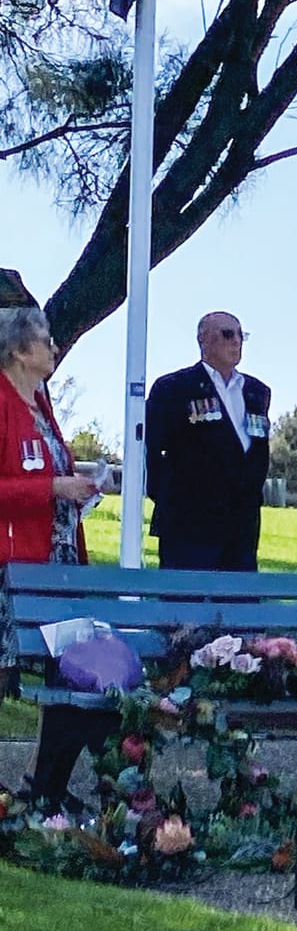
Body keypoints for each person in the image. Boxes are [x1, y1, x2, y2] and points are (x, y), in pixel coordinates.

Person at [0, 306, 104, 810]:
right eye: (45, 341)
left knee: (68, 669)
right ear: (20, 350)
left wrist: (75, 490)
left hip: (59, 565)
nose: (54, 349)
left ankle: (43, 787)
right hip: (12, 570)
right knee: (9, 677)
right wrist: (51, 487)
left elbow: (50, 473)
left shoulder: (41, 403)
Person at [144, 311, 272, 570]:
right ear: (203, 340)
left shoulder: (256, 392)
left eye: (240, 335)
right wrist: (169, 497)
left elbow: (258, 450)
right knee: (185, 606)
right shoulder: (175, 387)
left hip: (241, 526)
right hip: (188, 523)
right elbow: (153, 449)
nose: (236, 341)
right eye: (227, 334)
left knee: (239, 604)